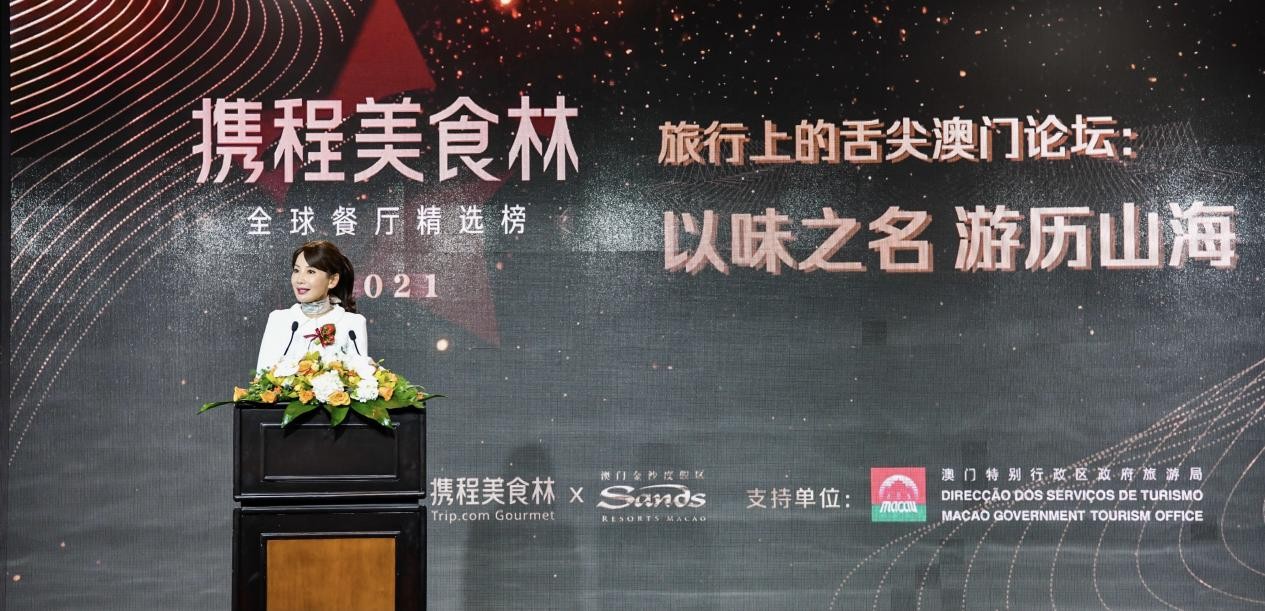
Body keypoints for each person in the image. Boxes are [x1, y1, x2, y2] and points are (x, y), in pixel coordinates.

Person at [255, 240, 368, 372]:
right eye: (296, 270)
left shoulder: (353, 323)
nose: (299, 279)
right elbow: (261, 376)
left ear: (332, 280)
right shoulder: (279, 319)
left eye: (310, 272)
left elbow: (361, 375)